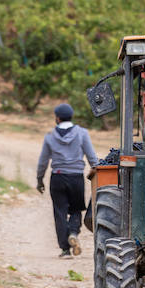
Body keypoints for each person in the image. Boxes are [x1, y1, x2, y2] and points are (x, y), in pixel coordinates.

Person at [36, 103, 98, 257]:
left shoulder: (50, 136)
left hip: (57, 177)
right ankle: (73, 233)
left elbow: (43, 161)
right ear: (71, 116)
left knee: (60, 212)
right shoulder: (82, 133)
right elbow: (92, 157)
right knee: (76, 209)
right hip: (76, 177)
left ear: (57, 118)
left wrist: (40, 179)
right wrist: (97, 171)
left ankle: (65, 249)